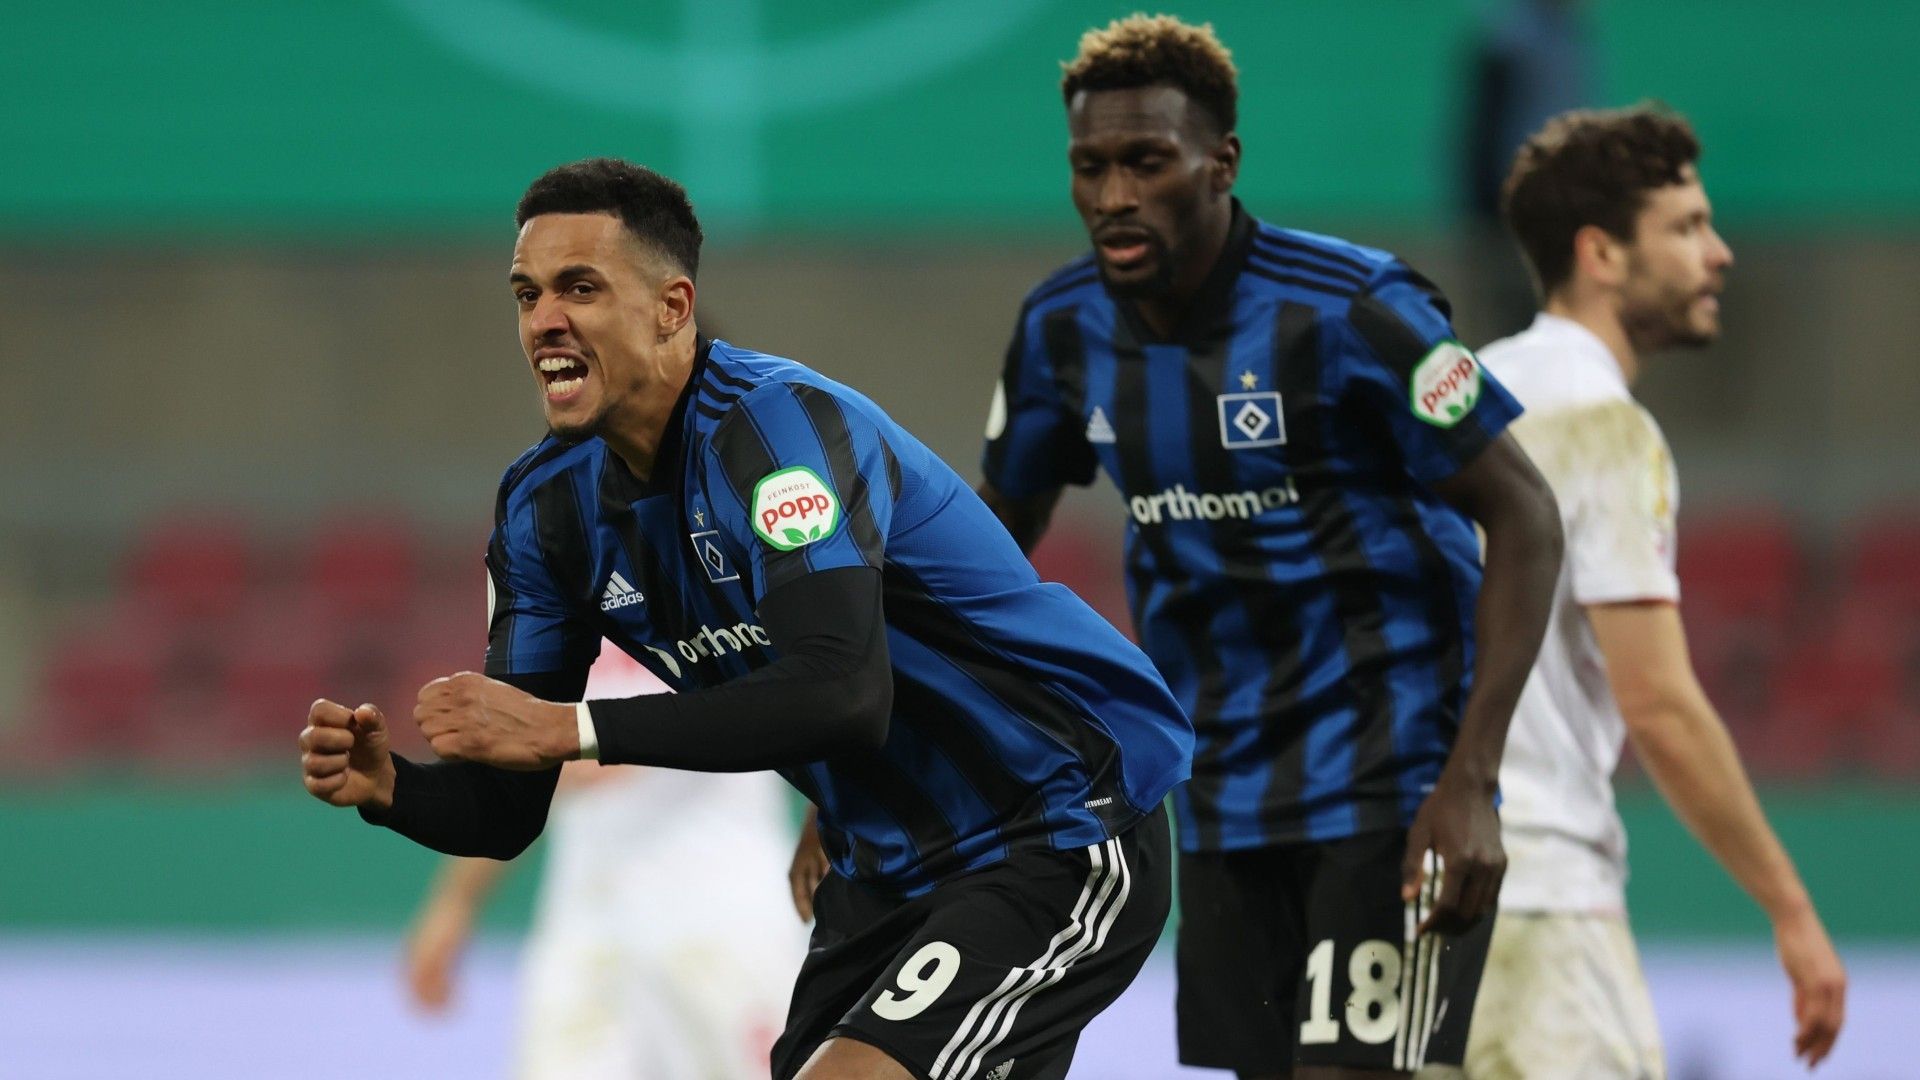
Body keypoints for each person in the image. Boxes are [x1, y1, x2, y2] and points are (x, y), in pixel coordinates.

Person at [297, 156, 1195, 1080]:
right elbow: (508, 808)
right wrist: (393, 791)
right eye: (526, 294)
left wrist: (572, 728)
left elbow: (843, 692)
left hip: (1051, 821)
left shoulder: (780, 436)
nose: (543, 322)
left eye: (580, 288)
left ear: (673, 307)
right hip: (881, 869)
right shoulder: (542, 511)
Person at [975, 16, 1565, 1079]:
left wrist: (1471, 780)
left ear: (1221, 164)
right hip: (1218, 800)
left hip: (1392, 788)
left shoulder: (1358, 310)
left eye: (1146, 163)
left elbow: (1524, 513)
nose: (1113, 196)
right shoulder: (1061, 331)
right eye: (1091, 167)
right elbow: (985, 547)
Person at [1441, 103, 1847, 1078]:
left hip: (1418, 892)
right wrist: (1792, 911)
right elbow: (1658, 703)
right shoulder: (1602, 427)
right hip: (1540, 898)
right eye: (1688, 226)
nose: (1721, 255)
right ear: (1601, 254)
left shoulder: (1465, 392)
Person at [402, 647, 803, 1080]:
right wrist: (455, 902)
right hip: (591, 929)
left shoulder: (720, 591)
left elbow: (733, 715)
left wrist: (538, 742)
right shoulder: (553, 610)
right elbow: (515, 778)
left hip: (724, 926)